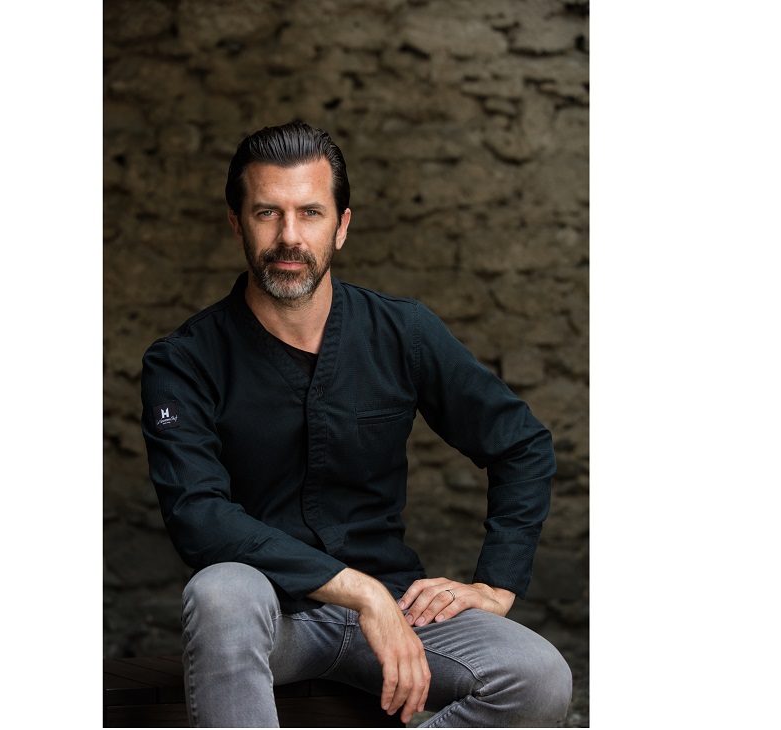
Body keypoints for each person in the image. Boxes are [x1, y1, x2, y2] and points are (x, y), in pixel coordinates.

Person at [140, 121, 572, 727]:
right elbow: (199, 516)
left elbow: (522, 444)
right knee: (220, 590)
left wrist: (495, 584)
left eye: (310, 213)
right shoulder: (182, 362)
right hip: (271, 619)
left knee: (539, 675)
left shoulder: (404, 332)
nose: (289, 237)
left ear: (342, 225)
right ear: (237, 223)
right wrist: (361, 591)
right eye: (268, 213)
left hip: (398, 610)